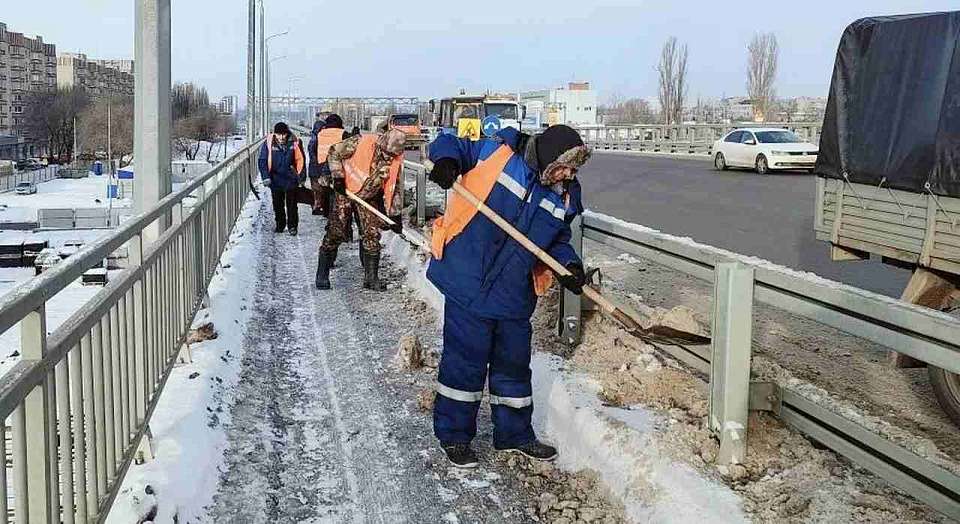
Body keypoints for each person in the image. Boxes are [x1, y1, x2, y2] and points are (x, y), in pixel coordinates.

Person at [425, 124, 592, 468]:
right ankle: (454, 436)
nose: (569, 175)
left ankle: (514, 435)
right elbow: (450, 143)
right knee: (464, 364)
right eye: (565, 167)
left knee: (513, 367)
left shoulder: (564, 195)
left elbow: (558, 240)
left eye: (573, 170)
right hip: (468, 279)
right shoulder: (496, 153)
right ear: (549, 157)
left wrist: (569, 266)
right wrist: (446, 162)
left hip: (514, 293)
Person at [315, 128, 406, 290]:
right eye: (386, 153)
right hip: (345, 191)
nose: (388, 157)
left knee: (371, 233)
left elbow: (394, 189)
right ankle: (322, 274)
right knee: (336, 231)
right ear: (381, 144)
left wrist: (395, 216)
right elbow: (334, 152)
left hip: (368, 197)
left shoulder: (395, 161)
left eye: (392, 155)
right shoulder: (361, 142)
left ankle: (371, 278)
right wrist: (338, 177)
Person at [258, 122, 306, 235]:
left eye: (284, 134)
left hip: (291, 177)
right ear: (275, 134)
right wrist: (265, 176)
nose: (281, 137)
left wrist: (301, 177)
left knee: (292, 204)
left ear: (287, 133)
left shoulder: (295, 142)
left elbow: (301, 159)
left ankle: (292, 226)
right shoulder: (269, 143)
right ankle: (280, 224)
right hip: (275, 178)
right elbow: (262, 160)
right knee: (277, 204)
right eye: (279, 135)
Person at [309, 114, 351, 218]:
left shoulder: (320, 134)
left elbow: (313, 150)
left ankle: (327, 214)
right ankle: (338, 215)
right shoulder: (343, 133)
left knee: (326, 192)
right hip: (338, 168)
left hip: (322, 168)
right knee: (338, 194)